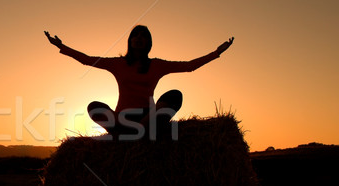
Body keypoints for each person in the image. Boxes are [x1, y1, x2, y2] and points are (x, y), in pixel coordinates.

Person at [44, 25, 234, 140]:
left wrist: (216, 52)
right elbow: (87, 59)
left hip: (148, 117)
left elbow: (189, 66)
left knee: (175, 95)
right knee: (94, 106)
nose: (139, 39)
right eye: (135, 35)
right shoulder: (118, 64)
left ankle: (140, 129)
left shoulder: (157, 65)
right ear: (130, 40)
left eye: (143, 36)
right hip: (121, 119)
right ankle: (135, 132)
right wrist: (62, 47)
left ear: (149, 42)